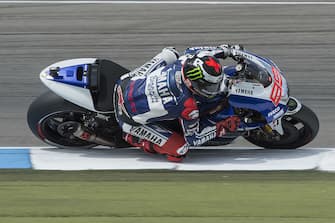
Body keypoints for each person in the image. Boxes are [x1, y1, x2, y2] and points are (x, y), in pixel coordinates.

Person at [113, 45, 241, 162]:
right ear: (193, 83)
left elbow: (197, 51)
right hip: (128, 117)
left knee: (171, 52)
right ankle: (134, 139)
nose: (215, 89)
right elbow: (194, 139)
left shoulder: (184, 60)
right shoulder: (188, 106)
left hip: (125, 82)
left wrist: (226, 50)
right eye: (210, 86)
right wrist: (221, 128)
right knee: (180, 150)